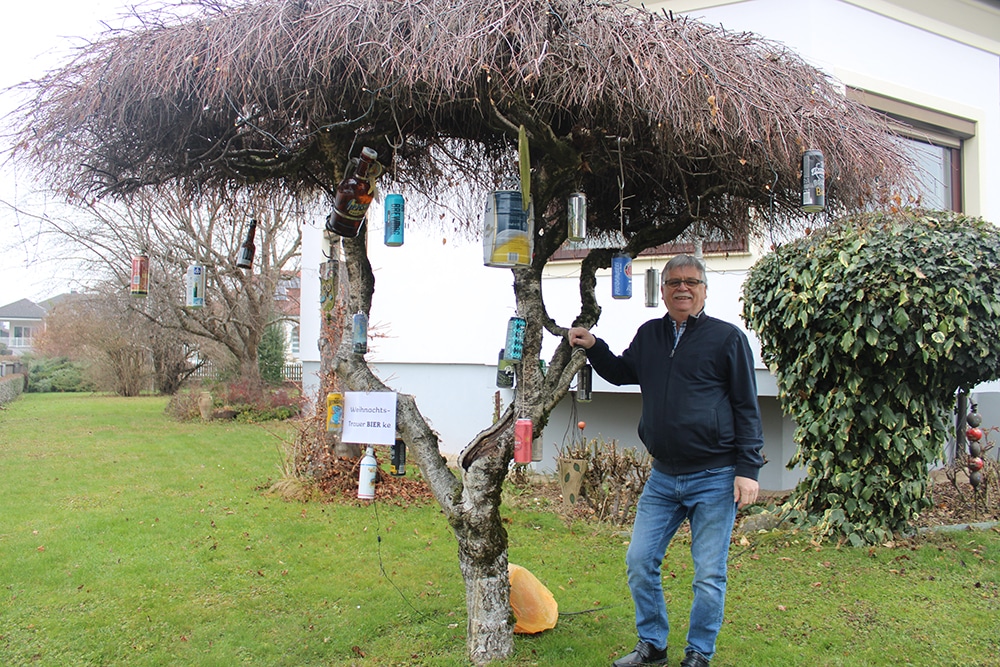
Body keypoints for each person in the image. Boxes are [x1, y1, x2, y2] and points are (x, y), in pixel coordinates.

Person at [567, 254, 764, 667]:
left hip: (714, 476)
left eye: (691, 281)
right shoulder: (650, 335)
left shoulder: (727, 339)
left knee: (709, 575)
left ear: (704, 289)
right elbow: (622, 372)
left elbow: (747, 406)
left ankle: (698, 654)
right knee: (639, 561)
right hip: (663, 477)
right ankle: (653, 645)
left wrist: (748, 469)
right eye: (674, 282)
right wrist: (595, 346)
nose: (682, 288)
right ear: (664, 290)